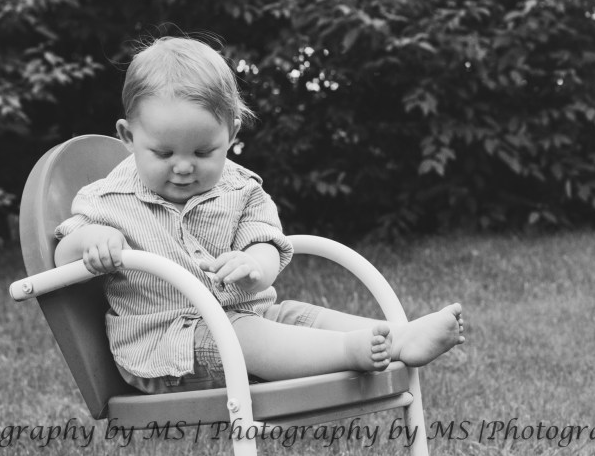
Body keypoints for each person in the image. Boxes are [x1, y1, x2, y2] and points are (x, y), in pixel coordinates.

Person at [54, 36, 465, 394]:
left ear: (231, 135)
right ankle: (348, 351)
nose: (183, 167)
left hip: (248, 316)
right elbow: (62, 255)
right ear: (128, 137)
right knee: (242, 333)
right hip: (167, 350)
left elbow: (265, 242)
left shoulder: (242, 189)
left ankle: (399, 337)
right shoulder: (108, 198)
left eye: (203, 152)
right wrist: (91, 242)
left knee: (294, 315)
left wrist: (254, 266)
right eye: (163, 153)